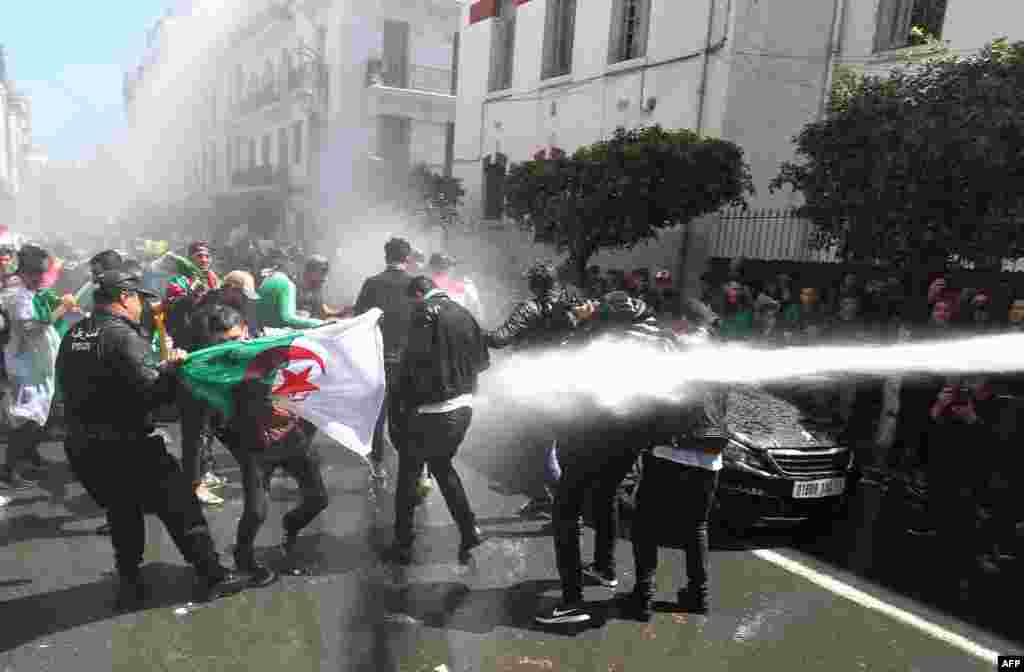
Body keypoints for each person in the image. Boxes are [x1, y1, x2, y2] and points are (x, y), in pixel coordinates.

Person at [56, 270, 247, 609]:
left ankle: (129, 582)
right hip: (127, 444)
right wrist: (173, 371)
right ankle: (214, 575)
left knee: (122, 510)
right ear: (124, 298)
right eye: (138, 299)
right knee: (180, 505)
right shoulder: (122, 336)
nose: (142, 306)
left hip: (83, 445)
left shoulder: (74, 333)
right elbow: (153, 393)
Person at [535, 291, 675, 626]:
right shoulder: (660, 341)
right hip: (628, 443)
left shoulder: (592, 343)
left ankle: (571, 601)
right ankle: (605, 568)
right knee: (607, 495)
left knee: (566, 513)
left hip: (586, 438)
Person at [190, 303, 329, 582]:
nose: (230, 347)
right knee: (255, 512)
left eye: (234, 339)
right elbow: (198, 417)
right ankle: (244, 558)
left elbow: (307, 338)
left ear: (245, 331)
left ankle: (292, 523)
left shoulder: (269, 346)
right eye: (220, 342)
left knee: (318, 499)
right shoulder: (212, 366)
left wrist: (336, 328)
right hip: (253, 447)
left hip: (290, 437)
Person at [387, 276, 489, 566]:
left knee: (409, 474)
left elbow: (410, 366)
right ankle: (469, 530)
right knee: (442, 466)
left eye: (413, 300)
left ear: (418, 293)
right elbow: (481, 362)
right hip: (462, 408)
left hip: (429, 412)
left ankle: (403, 544)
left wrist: (399, 403)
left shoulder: (422, 312)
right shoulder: (464, 313)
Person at [622, 349, 726, 619]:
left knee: (646, 524)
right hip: (709, 459)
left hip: (669, 453)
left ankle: (643, 596)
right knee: (697, 527)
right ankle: (699, 595)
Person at [486, 261, 586, 518]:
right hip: (567, 385)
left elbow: (499, 338)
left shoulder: (530, 308)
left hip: (534, 388)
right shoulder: (574, 306)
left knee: (540, 449)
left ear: (534, 285)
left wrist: (469, 329)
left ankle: (565, 510)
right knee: (544, 447)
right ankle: (543, 499)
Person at [1, 245, 76, 489]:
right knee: (27, 418)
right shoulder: (17, 295)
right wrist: (61, 309)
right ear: (26, 272)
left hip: (39, 362)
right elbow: (30, 328)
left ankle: (28, 456)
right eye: (38, 274)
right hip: (26, 365)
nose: (42, 279)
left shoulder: (29, 289)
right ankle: (8, 470)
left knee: (39, 413)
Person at [353, 237, 416, 479]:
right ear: (407, 259)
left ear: (385, 256)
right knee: (406, 414)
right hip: (408, 361)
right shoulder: (416, 285)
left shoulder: (372, 284)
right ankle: (412, 467)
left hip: (377, 359)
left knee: (378, 413)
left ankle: (377, 466)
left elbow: (359, 319)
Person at [255, 249, 325, 330]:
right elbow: (288, 317)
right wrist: (318, 323)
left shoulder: (314, 290)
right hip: (276, 332)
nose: (324, 279)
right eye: (322, 271)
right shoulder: (286, 284)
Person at [428, 253, 484, 322]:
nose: (442, 272)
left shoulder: (465, 287)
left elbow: (476, 311)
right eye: (439, 268)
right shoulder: (425, 288)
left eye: (445, 268)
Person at [296, 255, 349, 321]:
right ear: (310, 271)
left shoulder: (316, 289)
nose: (325, 279)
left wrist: (342, 312)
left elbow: (323, 311)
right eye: (323, 271)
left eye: (326, 272)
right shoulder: (296, 290)